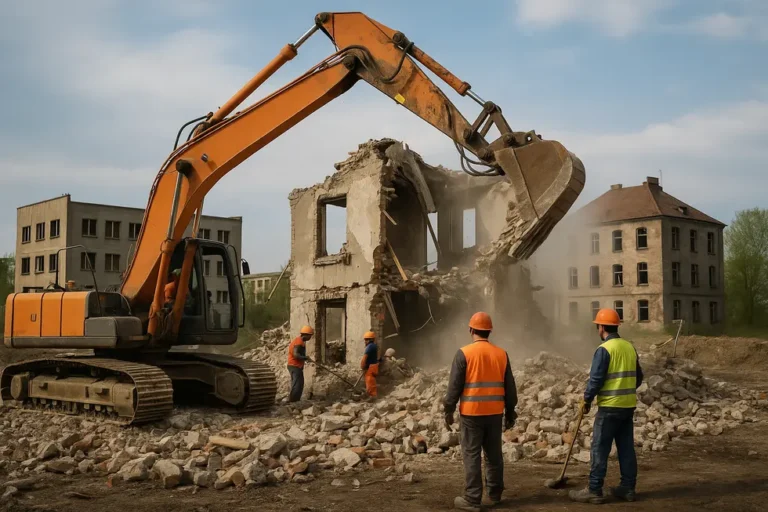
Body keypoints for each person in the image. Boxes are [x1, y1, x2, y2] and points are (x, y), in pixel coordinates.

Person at [444, 312, 517, 511]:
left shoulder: (464, 353)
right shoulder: (501, 354)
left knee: (471, 454)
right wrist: (510, 412)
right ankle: (495, 494)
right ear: (489, 331)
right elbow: (510, 387)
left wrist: (448, 409)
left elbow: (454, 387)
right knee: (494, 455)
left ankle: (472, 498)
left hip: (471, 414)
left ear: (471, 330)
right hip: (495, 413)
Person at [569, 308, 644, 504]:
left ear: (601, 327)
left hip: (609, 408)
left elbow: (595, 380)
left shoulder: (604, 350)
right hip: (627, 407)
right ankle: (628, 488)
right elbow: (639, 377)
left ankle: (594, 489)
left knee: (599, 448)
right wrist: (625, 388)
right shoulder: (629, 347)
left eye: (598, 326)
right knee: (626, 448)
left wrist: (586, 400)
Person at [287, 326, 314, 402]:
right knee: (297, 385)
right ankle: (293, 402)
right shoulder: (299, 342)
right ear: (306, 335)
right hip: (294, 366)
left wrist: (304, 358)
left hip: (294, 366)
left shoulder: (298, 341)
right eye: (310, 335)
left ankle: (294, 400)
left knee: (298, 383)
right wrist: (305, 358)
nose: (310, 337)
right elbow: (296, 355)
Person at [360, 331, 379, 398]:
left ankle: (372, 396)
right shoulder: (374, 346)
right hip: (373, 366)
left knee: (370, 381)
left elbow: (365, 357)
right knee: (371, 381)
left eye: (366, 339)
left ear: (370, 340)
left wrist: (362, 365)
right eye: (365, 339)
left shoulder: (370, 347)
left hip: (371, 367)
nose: (365, 341)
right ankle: (370, 394)